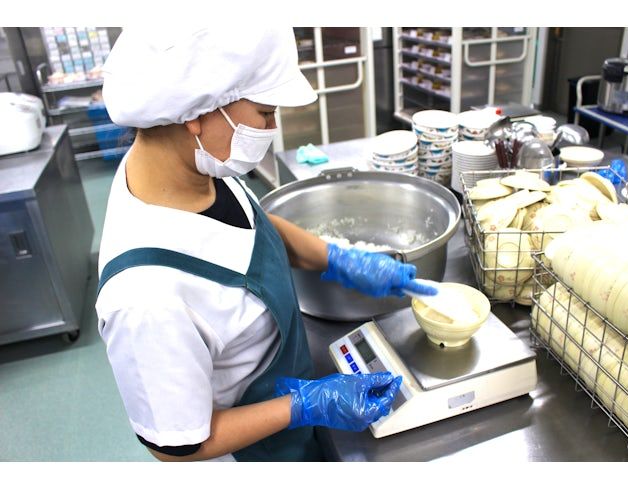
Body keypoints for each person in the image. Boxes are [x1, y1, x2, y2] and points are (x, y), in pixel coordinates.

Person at [95, 27, 437, 462]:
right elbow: (178, 445)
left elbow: (252, 225)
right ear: (196, 113)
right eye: (264, 112)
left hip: (285, 419)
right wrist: (306, 405)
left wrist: (339, 259)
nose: (272, 127)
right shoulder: (145, 300)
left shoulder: (189, 165)